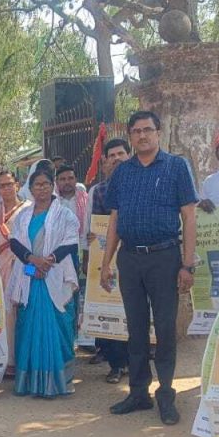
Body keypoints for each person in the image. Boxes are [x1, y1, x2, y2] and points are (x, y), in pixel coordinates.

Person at [99, 111, 198, 425]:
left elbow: (189, 217)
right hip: (130, 258)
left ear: (158, 132)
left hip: (164, 257)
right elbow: (115, 219)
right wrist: (105, 263)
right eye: (136, 131)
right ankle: (139, 392)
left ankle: (166, 393)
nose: (142, 135)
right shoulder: (122, 173)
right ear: (130, 135)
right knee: (136, 328)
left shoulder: (176, 167)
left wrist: (187, 265)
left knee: (165, 328)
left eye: (147, 130)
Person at [7, 165, 80, 397]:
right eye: (37, 185)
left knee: (60, 326)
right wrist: (33, 261)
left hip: (55, 272)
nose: (42, 189)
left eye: (46, 184)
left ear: (52, 186)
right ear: (30, 188)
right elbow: (14, 243)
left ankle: (59, 382)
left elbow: (71, 242)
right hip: (29, 272)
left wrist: (47, 261)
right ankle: (30, 382)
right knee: (27, 327)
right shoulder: (23, 216)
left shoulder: (64, 215)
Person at [86, 137, 132, 384]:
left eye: (120, 154)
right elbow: (92, 226)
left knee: (134, 311)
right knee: (110, 308)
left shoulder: (140, 183)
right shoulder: (98, 191)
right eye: (111, 155)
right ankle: (116, 365)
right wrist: (91, 239)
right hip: (107, 258)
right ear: (105, 161)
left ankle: (134, 364)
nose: (116, 159)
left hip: (135, 257)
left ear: (129, 156)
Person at [0, 170, 32, 376]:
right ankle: (10, 361)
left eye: (9, 184)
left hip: (27, 266)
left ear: (17, 185)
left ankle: (29, 359)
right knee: (8, 313)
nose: (6, 189)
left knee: (29, 308)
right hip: (3, 267)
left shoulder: (30, 209)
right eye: (2, 186)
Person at [55, 163, 88, 255]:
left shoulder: (86, 200)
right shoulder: (52, 202)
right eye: (63, 179)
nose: (67, 182)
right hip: (57, 248)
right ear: (56, 182)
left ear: (76, 180)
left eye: (70, 178)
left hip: (82, 246)